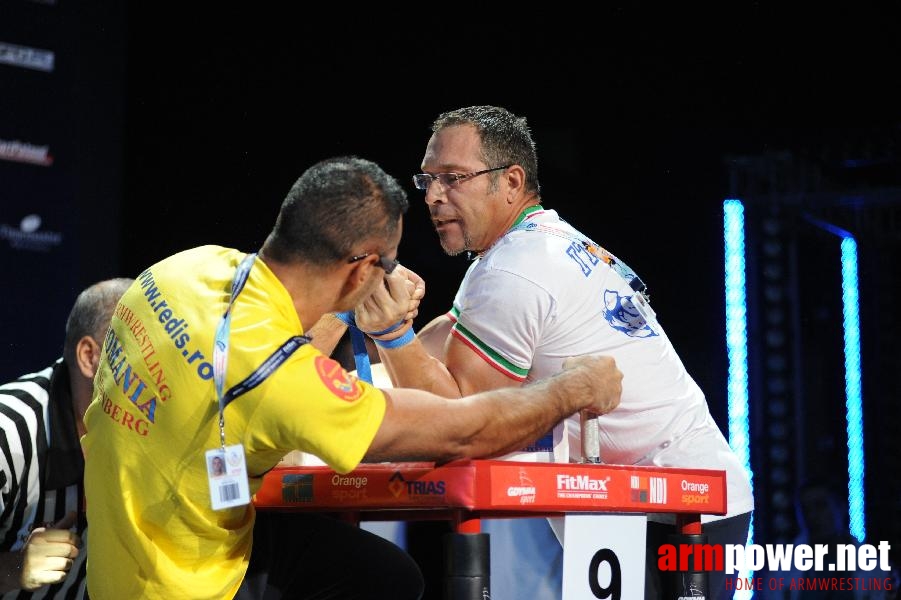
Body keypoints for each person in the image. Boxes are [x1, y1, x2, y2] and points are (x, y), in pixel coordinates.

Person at [80, 156, 623, 600]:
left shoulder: (184, 269)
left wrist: (345, 305)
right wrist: (571, 388)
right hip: (181, 588)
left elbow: (280, 341)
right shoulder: (282, 383)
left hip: (119, 552)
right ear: (362, 268)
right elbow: (462, 432)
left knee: (382, 573)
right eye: (383, 267)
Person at [350, 105, 755, 600]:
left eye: (453, 178)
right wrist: (369, 334)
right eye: (427, 179)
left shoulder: (513, 269)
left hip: (672, 509)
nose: (433, 196)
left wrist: (392, 334)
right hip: (684, 497)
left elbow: (461, 423)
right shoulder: (541, 243)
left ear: (512, 181)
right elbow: (446, 337)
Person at [0, 277, 133, 599]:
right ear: (90, 357)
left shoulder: (161, 429)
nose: (162, 378)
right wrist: (12, 568)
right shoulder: (9, 431)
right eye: (145, 356)